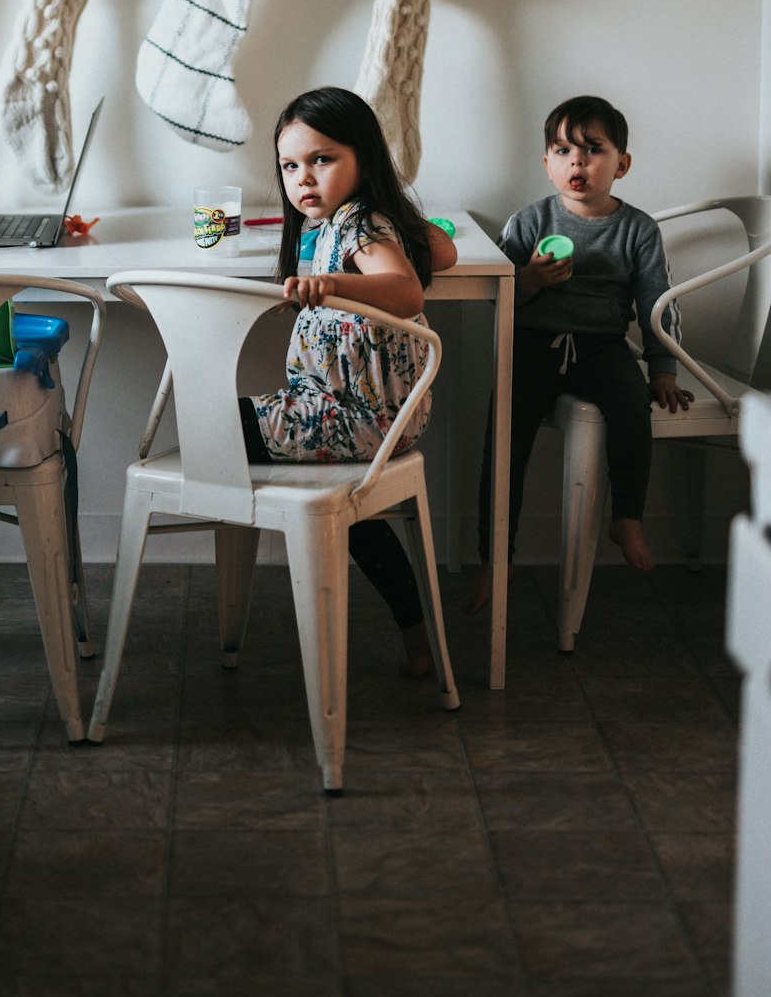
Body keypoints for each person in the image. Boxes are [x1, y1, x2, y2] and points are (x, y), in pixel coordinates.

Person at [239, 86, 458, 676]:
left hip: (357, 416)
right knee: (353, 514)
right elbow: (446, 253)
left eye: (322, 159)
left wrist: (333, 284)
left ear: (364, 158)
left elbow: (407, 289)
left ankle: (233, 611)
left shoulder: (359, 224)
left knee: (219, 424)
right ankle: (416, 636)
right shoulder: (350, 220)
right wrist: (408, 230)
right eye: (290, 165)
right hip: (360, 415)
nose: (303, 178)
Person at [466, 94, 692, 615]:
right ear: (547, 164)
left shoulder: (637, 229)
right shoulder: (529, 221)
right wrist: (528, 281)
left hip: (601, 345)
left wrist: (661, 369)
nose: (578, 161)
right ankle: (494, 556)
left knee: (632, 406)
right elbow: (495, 297)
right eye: (564, 150)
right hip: (534, 341)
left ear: (622, 164)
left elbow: (658, 303)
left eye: (593, 149)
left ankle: (627, 517)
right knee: (504, 438)